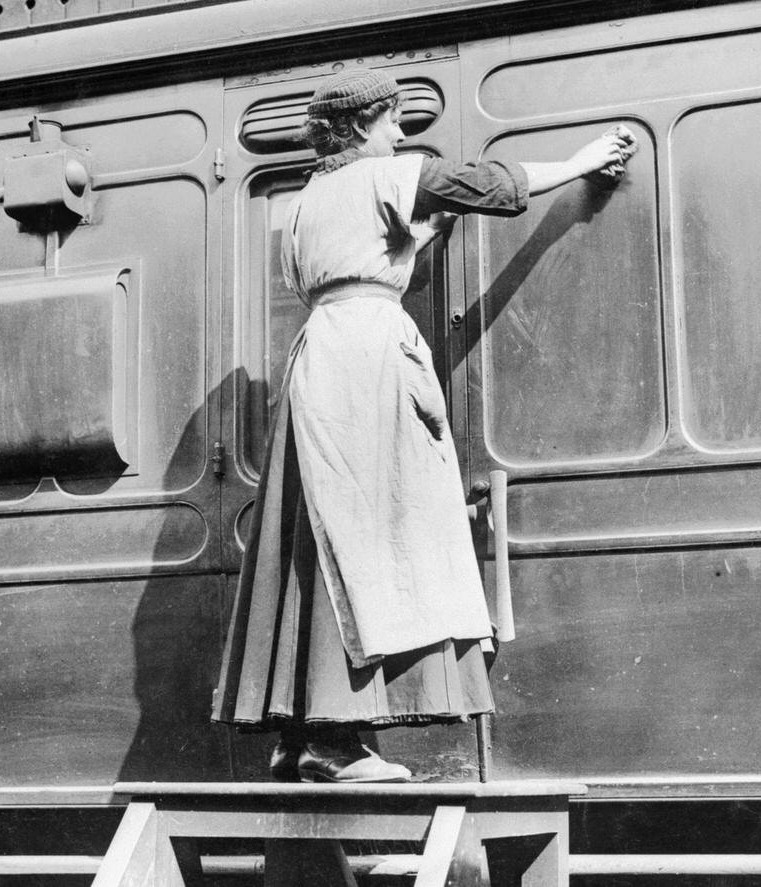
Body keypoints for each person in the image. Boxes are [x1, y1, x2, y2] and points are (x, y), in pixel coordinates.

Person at [212, 67, 637, 783]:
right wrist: (585, 160)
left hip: (320, 361)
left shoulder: (309, 200)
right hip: (369, 366)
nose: (401, 133)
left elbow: (362, 260)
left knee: (323, 545)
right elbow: (494, 188)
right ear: (357, 127)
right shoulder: (391, 175)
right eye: (390, 120)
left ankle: (300, 734)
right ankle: (336, 742)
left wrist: (419, 233)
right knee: (375, 538)